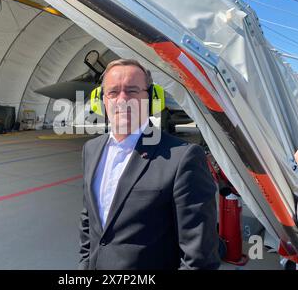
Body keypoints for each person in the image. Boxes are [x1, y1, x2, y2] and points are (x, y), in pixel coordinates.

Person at [79, 58, 220, 270]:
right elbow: (88, 219)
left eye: (132, 91)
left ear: (150, 98)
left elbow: (199, 256)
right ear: (102, 100)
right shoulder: (91, 150)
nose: (122, 100)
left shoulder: (183, 158)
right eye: (113, 92)